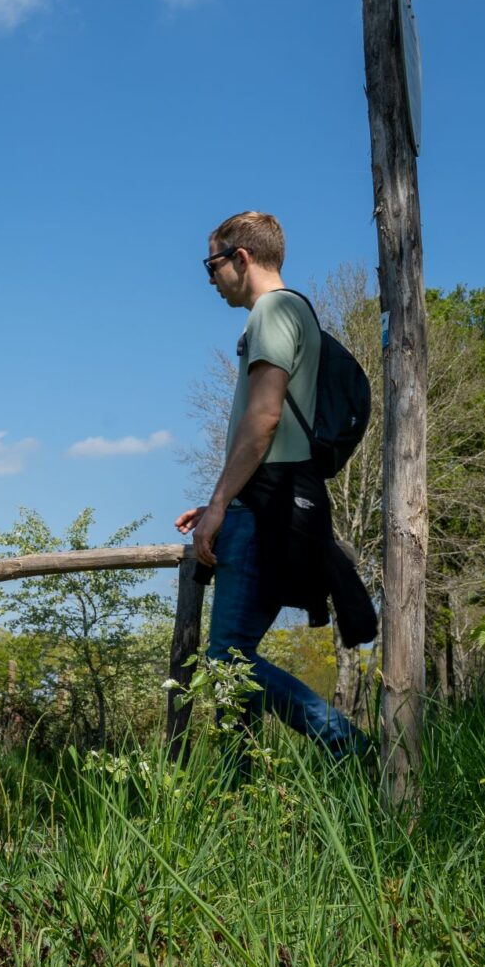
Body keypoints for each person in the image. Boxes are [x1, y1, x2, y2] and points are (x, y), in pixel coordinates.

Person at [175, 212, 369, 768]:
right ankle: (239, 797)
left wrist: (220, 507)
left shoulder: (274, 311)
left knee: (225, 660)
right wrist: (218, 496)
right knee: (232, 661)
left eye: (211, 265)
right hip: (264, 499)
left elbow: (262, 420)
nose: (209, 279)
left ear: (240, 257)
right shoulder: (292, 313)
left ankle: (346, 744)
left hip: (262, 510)